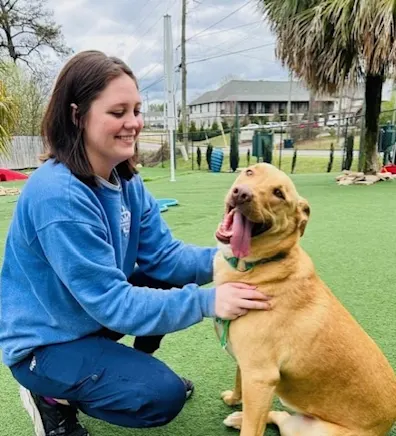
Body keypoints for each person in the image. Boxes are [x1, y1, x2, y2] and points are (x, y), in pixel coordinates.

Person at [0, 50, 271, 436]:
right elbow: (112, 303)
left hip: (84, 318)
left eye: (137, 110)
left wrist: (231, 257)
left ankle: (117, 372)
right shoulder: (58, 194)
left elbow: (164, 258)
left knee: (164, 280)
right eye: (118, 112)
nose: (133, 124)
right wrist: (209, 301)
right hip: (43, 344)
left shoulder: (126, 180)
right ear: (78, 116)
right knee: (159, 396)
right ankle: (51, 398)